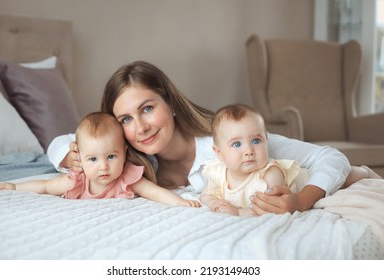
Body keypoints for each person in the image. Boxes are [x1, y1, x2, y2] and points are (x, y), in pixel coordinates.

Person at [47, 60, 353, 216]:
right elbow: (58, 143)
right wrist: (67, 154)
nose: (140, 127)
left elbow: (332, 157)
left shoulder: (231, 143)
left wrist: (300, 201)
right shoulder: (128, 165)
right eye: (126, 119)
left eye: (148, 108)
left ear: (171, 103)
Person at [200, 104, 381, 216]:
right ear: (219, 153)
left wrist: (238, 212)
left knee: (347, 177)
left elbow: (274, 207)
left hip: (309, 180)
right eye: (236, 144)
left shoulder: (270, 173)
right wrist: (213, 202)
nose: (249, 151)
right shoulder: (216, 171)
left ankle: (364, 171)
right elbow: (206, 194)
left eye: (256, 141)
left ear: (266, 141)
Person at [0, 112, 201, 208]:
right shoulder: (77, 180)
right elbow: (46, 186)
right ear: (81, 158)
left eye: (111, 156)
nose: (103, 166)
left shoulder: (127, 177)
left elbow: (154, 192)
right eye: (92, 159)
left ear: (124, 152)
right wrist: (16, 188)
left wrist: (181, 202)